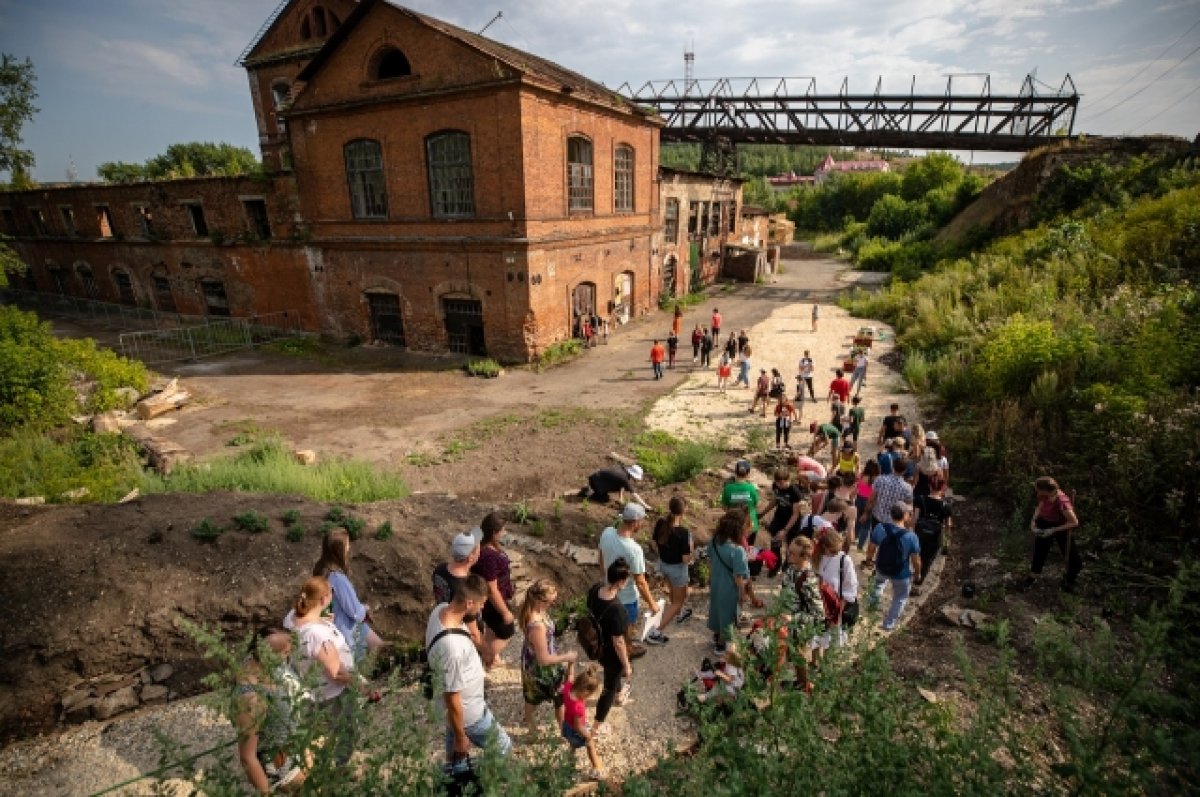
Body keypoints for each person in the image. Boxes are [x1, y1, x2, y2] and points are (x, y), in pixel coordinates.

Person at [427, 574, 513, 761]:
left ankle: (453, 781)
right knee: (503, 748)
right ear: (468, 603)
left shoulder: (440, 610)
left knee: (456, 760)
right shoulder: (452, 647)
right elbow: (452, 696)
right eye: (481, 604)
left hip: (457, 713)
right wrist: (461, 736)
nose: (482, 608)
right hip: (470, 714)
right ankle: (487, 783)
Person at [289, 577, 360, 764]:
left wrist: (321, 619)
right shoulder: (317, 635)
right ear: (324, 600)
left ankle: (322, 769)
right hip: (333, 695)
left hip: (313, 690)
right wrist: (361, 684)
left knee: (320, 736)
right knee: (345, 734)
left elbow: (304, 618)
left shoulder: (291, 618)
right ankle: (337, 773)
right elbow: (336, 673)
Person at [234, 627, 306, 794]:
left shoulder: (263, 663)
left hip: (296, 745)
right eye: (284, 652)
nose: (287, 658)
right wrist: (266, 792)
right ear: (266, 655)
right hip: (281, 763)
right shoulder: (251, 699)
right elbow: (247, 757)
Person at [312, 528, 386, 663]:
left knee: (378, 645)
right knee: (369, 653)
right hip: (345, 627)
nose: (348, 548)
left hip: (335, 623)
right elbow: (355, 613)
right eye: (346, 545)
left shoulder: (320, 571)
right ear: (339, 550)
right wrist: (366, 608)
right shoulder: (337, 579)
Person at [519, 579, 578, 730]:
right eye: (550, 602)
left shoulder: (533, 610)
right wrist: (567, 657)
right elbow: (544, 660)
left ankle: (531, 729)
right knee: (559, 700)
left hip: (530, 661)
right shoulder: (537, 626)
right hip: (543, 670)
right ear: (540, 600)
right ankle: (562, 730)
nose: (552, 604)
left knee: (531, 698)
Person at [597, 503, 657, 652]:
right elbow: (641, 582)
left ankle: (617, 648)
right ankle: (627, 653)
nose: (642, 524)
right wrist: (652, 604)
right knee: (625, 628)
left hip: (609, 592)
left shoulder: (607, 532)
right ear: (636, 522)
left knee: (612, 626)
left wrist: (606, 578)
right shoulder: (634, 550)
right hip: (627, 598)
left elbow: (600, 558)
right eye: (642, 521)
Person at [588, 558, 633, 736]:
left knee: (612, 677)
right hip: (611, 653)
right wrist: (627, 665)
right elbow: (619, 642)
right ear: (621, 581)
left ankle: (620, 693)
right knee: (608, 689)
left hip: (596, 645)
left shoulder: (595, 589)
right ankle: (596, 727)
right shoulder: (617, 610)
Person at [865, 504, 921, 631]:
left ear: (891, 514)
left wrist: (869, 560)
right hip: (901, 573)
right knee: (900, 598)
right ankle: (888, 624)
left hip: (881, 567)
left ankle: (870, 612)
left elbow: (871, 547)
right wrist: (917, 573)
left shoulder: (880, 528)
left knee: (878, 586)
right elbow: (916, 560)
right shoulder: (911, 536)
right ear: (905, 515)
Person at [471, 513, 515, 668]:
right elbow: (492, 588)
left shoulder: (484, 549)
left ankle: (493, 658)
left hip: (490, 601)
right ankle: (487, 657)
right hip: (495, 602)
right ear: (494, 533)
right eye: (503, 531)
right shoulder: (489, 557)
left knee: (491, 629)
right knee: (507, 631)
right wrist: (505, 612)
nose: (505, 534)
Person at [708, 508, 755, 655]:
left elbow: (712, 561)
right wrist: (743, 594)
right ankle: (722, 644)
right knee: (729, 615)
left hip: (716, 583)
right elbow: (738, 577)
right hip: (729, 588)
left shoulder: (714, 542)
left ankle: (716, 635)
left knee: (717, 609)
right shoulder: (737, 551)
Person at [1027, 476, 1083, 591]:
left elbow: (1074, 522)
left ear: (1045, 490)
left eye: (1038, 489)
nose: (1036, 491)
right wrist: (1033, 522)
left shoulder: (1062, 502)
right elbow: (1039, 507)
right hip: (1044, 523)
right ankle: (1032, 578)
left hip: (1061, 526)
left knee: (1075, 560)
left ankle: (1068, 581)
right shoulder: (1043, 495)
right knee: (1039, 552)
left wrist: (1053, 530)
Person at [652, 497, 694, 630]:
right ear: (683, 511)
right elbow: (686, 560)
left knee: (673, 591)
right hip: (678, 569)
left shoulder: (661, 523)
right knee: (678, 601)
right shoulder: (683, 532)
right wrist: (692, 550)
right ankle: (656, 631)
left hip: (664, 565)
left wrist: (662, 553)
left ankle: (680, 613)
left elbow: (653, 543)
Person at [560, 666, 604, 780]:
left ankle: (570, 764)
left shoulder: (567, 688)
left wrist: (571, 665)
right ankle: (597, 769)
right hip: (575, 730)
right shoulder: (578, 707)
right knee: (590, 745)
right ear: (585, 691)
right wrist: (589, 735)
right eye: (589, 695)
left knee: (572, 744)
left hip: (566, 726)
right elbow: (578, 726)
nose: (588, 697)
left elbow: (569, 676)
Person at [816, 529, 859, 647]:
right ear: (824, 547)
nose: (837, 552)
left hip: (838, 604)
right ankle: (816, 660)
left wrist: (839, 610)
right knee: (819, 635)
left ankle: (829, 661)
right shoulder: (818, 557)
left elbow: (851, 585)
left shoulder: (844, 560)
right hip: (821, 604)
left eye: (839, 549)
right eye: (833, 550)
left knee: (834, 637)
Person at [913, 482, 952, 591]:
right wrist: (946, 541)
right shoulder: (946, 505)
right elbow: (948, 524)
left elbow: (915, 519)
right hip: (935, 536)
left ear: (929, 486)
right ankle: (918, 582)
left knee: (917, 555)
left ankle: (915, 573)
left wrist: (911, 531)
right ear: (943, 488)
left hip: (920, 533)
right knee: (928, 559)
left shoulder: (920, 500)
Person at [765, 468, 805, 572]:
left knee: (791, 545)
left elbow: (795, 514)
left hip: (792, 520)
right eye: (779, 483)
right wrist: (763, 512)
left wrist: (785, 530)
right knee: (774, 541)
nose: (781, 485)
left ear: (788, 480)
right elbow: (775, 500)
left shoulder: (795, 492)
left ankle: (788, 564)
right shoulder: (775, 486)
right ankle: (775, 564)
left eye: (783, 483)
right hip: (779, 516)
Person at [865, 455, 914, 538]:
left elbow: (871, 498)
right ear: (905, 470)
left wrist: (866, 512)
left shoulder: (880, 479)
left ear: (892, 466)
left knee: (874, 542)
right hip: (894, 523)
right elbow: (909, 508)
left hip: (877, 518)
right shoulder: (907, 488)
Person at [721, 459, 762, 536]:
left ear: (735, 472)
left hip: (733, 523)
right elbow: (757, 504)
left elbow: (724, 507)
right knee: (749, 547)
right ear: (748, 474)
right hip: (750, 524)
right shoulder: (751, 488)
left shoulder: (727, 488)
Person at [581, 463, 650, 508]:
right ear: (633, 475)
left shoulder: (623, 470)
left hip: (596, 478)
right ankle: (588, 493)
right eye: (636, 478)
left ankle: (592, 489)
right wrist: (645, 506)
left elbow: (621, 485)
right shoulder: (624, 478)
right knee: (604, 499)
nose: (636, 480)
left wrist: (621, 498)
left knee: (615, 487)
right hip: (595, 481)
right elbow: (634, 494)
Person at [855, 459, 880, 551]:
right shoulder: (877, 479)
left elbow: (857, 486)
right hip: (869, 501)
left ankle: (855, 537)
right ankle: (860, 546)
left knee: (857, 520)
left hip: (859, 499)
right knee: (866, 525)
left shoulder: (862, 475)